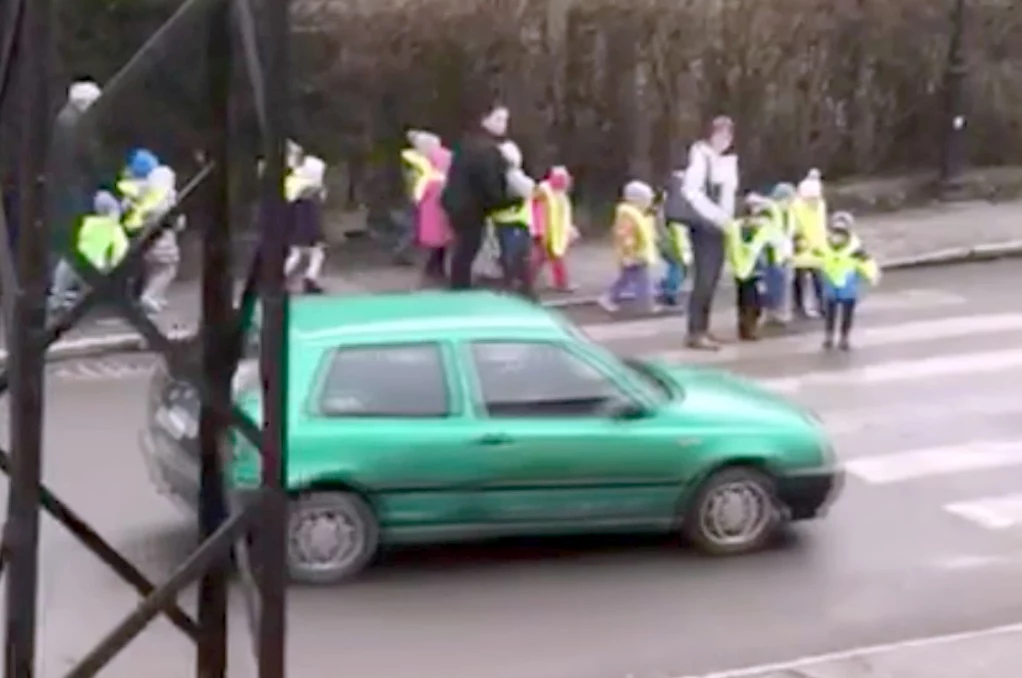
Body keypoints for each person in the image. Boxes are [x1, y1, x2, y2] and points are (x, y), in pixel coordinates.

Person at [665, 116, 739, 350]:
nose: (724, 139)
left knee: (712, 279)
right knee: (704, 280)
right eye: (720, 134)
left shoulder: (723, 160)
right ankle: (695, 332)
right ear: (711, 134)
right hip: (706, 225)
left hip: (720, 225)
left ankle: (702, 328)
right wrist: (716, 217)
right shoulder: (701, 156)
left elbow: (729, 194)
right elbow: (692, 191)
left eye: (728, 135)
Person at [441, 102, 521, 290]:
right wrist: (510, 201)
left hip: (456, 202)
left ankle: (458, 284)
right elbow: (490, 185)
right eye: (498, 119)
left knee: (463, 248)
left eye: (505, 120)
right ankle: (460, 289)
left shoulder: (469, 142)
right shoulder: (488, 149)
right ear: (485, 120)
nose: (503, 124)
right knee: (468, 248)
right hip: (470, 207)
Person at [797, 211, 880, 350]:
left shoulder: (856, 251)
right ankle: (829, 336)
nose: (837, 238)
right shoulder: (824, 248)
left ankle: (844, 337)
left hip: (849, 287)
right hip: (831, 286)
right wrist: (794, 261)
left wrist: (872, 275)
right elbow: (809, 257)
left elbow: (867, 263)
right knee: (830, 313)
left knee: (847, 314)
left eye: (841, 234)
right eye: (835, 233)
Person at [49, 190, 128, 310]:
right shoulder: (113, 227)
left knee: (64, 271)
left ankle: (57, 300)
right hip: (96, 266)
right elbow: (121, 250)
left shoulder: (88, 223)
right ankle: (69, 302)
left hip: (82, 263)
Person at [599, 180, 660, 314]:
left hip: (637, 253)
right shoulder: (628, 214)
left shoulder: (636, 213)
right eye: (647, 199)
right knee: (641, 280)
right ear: (637, 199)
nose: (649, 203)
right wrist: (630, 252)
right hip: (634, 254)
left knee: (628, 279)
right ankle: (646, 304)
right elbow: (625, 235)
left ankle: (611, 298)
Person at [488, 140, 537, 297]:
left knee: (513, 260)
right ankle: (520, 293)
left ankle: (518, 291)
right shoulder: (508, 175)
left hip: (509, 222)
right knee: (515, 260)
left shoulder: (504, 175)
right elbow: (529, 190)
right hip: (511, 222)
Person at [403, 131, 452, 285]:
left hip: (430, 202)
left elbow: (418, 187)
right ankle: (436, 268)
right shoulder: (444, 157)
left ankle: (433, 268)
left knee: (434, 238)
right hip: (441, 202)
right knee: (441, 237)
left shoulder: (421, 162)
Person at [727, 196, 774, 341]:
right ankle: (748, 328)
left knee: (750, 300)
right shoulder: (743, 227)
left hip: (751, 268)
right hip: (748, 268)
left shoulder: (760, 227)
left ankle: (746, 327)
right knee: (751, 301)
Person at [139, 166, 182, 314]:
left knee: (153, 270)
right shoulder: (168, 198)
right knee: (169, 269)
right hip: (164, 240)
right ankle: (150, 296)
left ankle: (156, 296)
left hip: (146, 241)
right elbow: (177, 222)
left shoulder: (145, 194)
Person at [284, 154, 328, 294]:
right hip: (304, 229)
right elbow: (310, 216)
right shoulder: (308, 191)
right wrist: (316, 235)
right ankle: (308, 280)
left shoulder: (294, 184)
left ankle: (282, 280)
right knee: (307, 254)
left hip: (295, 228)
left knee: (298, 255)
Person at [530, 165, 577, 292]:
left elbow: (564, 214)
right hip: (544, 231)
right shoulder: (543, 191)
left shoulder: (560, 194)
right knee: (538, 259)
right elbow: (536, 211)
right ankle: (526, 281)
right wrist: (539, 229)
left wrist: (569, 229)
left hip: (555, 233)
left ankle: (561, 283)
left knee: (554, 258)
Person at [790, 169, 828, 318]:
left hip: (817, 247)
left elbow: (821, 226)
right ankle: (799, 306)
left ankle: (821, 305)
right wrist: (797, 239)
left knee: (818, 278)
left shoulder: (820, 205)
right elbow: (794, 225)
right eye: (811, 197)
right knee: (800, 278)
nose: (814, 200)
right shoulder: (797, 207)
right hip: (802, 246)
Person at [761, 182, 797, 326]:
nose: (789, 202)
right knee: (772, 284)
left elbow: (789, 233)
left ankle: (779, 311)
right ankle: (771, 311)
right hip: (772, 254)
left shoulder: (788, 213)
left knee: (783, 284)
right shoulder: (770, 211)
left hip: (784, 253)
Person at [656, 187, 692, 307]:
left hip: (673, 242)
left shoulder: (665, 209)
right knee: (677, 266)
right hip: (673, 243)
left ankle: (666, 287)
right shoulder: (668, 210)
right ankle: (669, 292)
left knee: (679, 268)